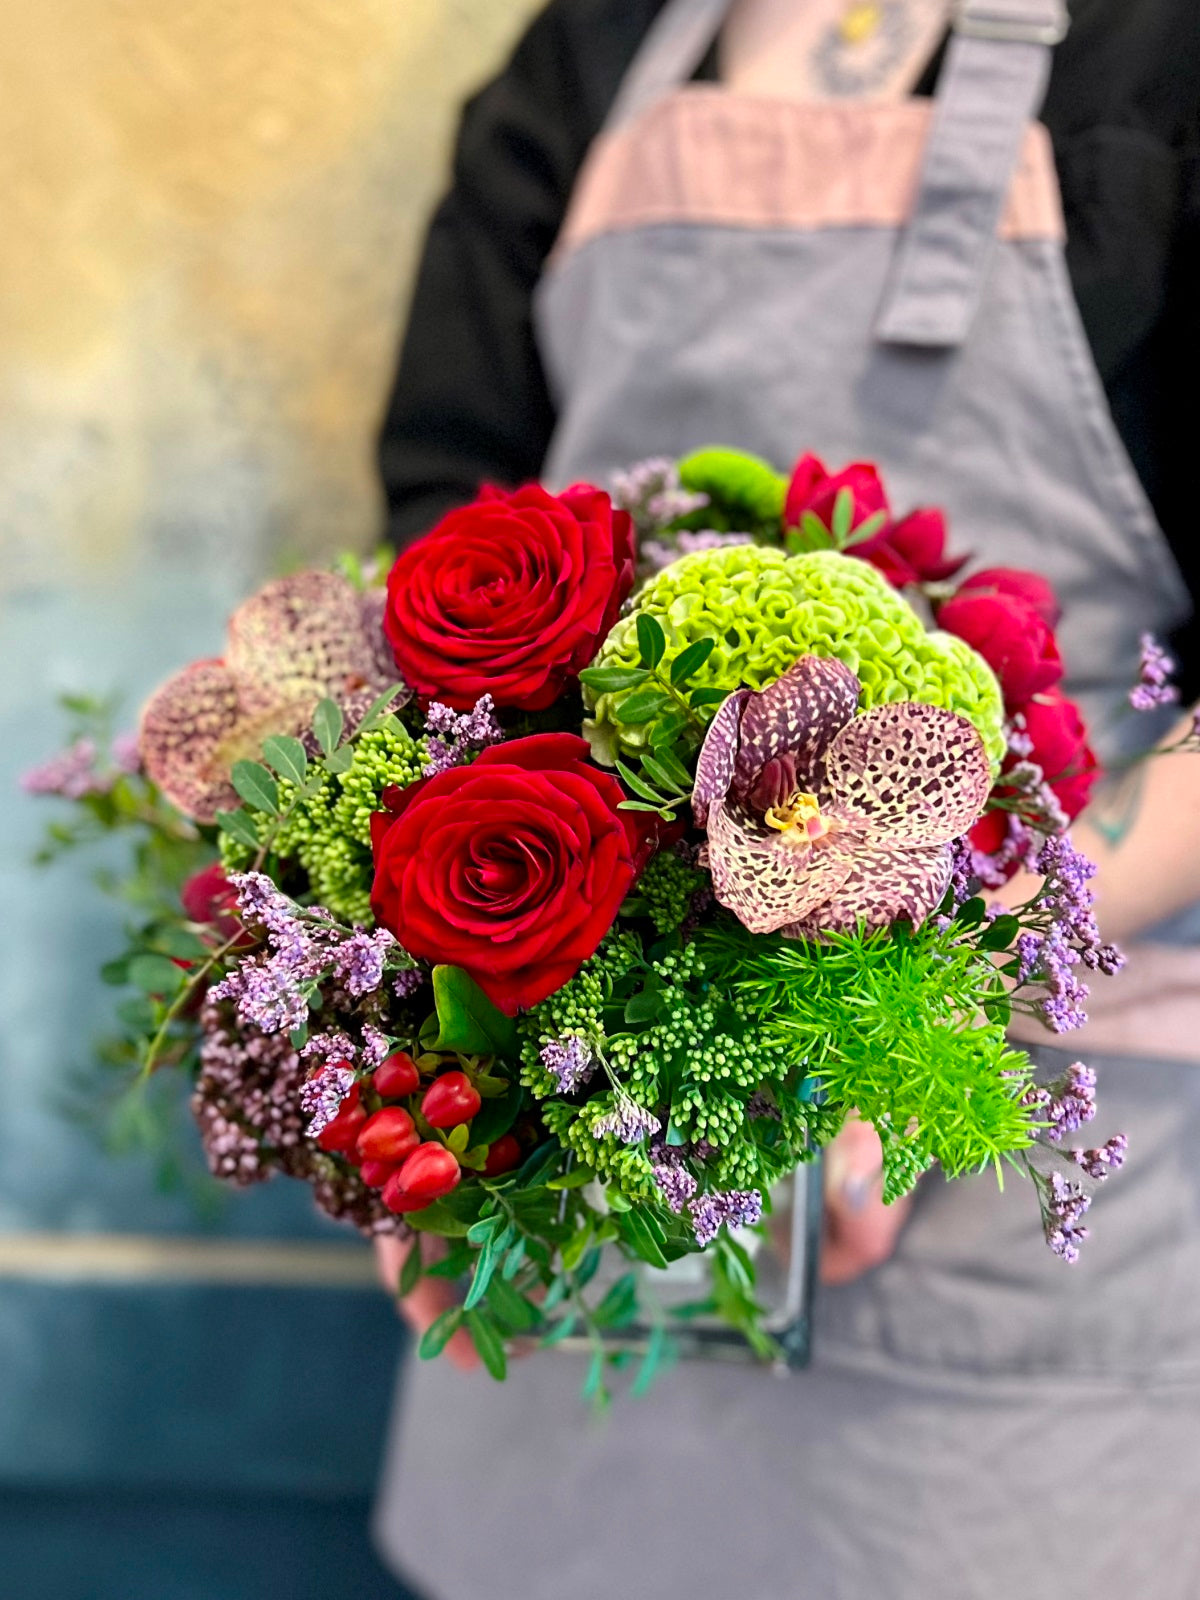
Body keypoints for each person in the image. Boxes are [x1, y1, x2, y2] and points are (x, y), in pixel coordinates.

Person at [371, 2, 1200, 1596]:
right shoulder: (595, 50)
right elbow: (438, 539)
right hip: (582, 1211)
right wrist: (420, 1059)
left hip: (1008, 1303)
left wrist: (949, 963)